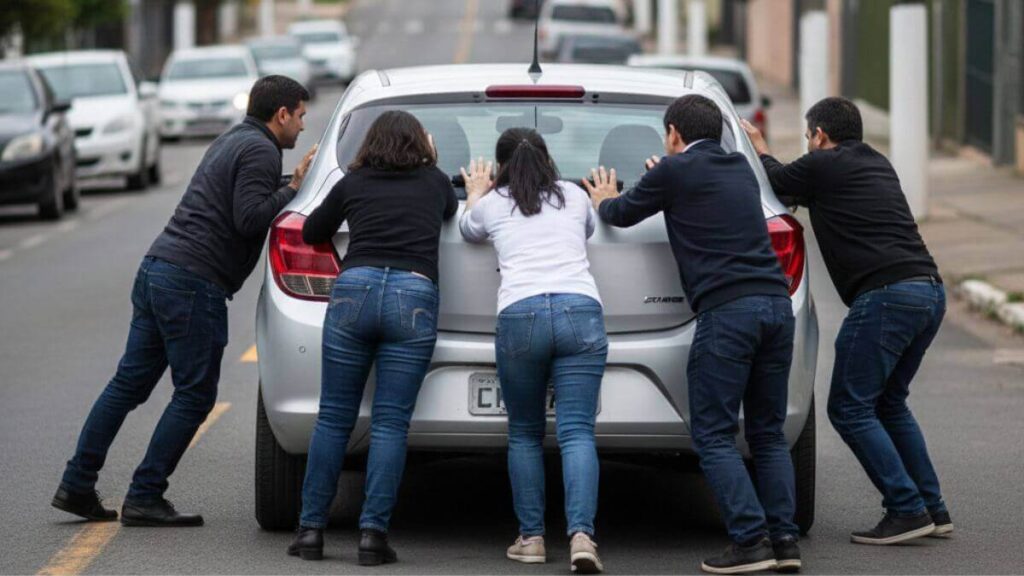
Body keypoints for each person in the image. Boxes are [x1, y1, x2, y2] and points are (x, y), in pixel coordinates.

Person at [52, 75, 316, 527]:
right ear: (281, 114)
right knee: (195, 396)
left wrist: (288, 183)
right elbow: (249, 216)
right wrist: (292, 189)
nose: (303, 126)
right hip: (193, 282)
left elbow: (243, 194)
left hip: (159, 268)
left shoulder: (234, 139)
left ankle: (77, 484)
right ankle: (145, 495)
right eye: (301, 116)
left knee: (127, 386)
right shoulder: (261, 149)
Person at [584, 95, 800, 575]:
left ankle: (750, 541)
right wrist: (665, 175)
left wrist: (602, 197)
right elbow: (701, 191)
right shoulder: (740, 169)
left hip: (728, 314)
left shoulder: (672, 172)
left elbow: (620, 213)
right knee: (767, 433)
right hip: (775, 306)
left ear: (674, 134)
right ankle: (784, 541)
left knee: (713, 434)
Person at [743, 97, 950, 546]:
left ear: (820, 135)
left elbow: (777, 181)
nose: (807, 143)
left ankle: (906, 507)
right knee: (889, 403)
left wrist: (759, 146)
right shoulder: (877, 163)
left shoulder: (823, 164)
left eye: (808, 136)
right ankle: (933, 507)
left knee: (849, 407)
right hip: (929, 292)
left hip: (887, 296)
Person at [288, 111, 458, 564]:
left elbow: (312, 230)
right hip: (413, 295)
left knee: (333, 417)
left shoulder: (354, 183)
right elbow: (450, 212)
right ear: (420, 143)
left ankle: (310, 532)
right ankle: (372, 537)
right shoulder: (435, 181)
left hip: (354, 290)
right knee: (390, 423)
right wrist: (432, 160)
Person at [460, 128, 607, 575]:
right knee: (577, 432)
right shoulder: (573, 196)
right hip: (580, 309)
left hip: (521, 313)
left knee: (525, 433)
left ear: (501, 166)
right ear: (548, 159)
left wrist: (475, 192)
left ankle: (532, 539)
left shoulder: (492, 203)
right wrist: (603, 198)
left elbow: (468, 230)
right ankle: (582, 536)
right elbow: (590, 227)